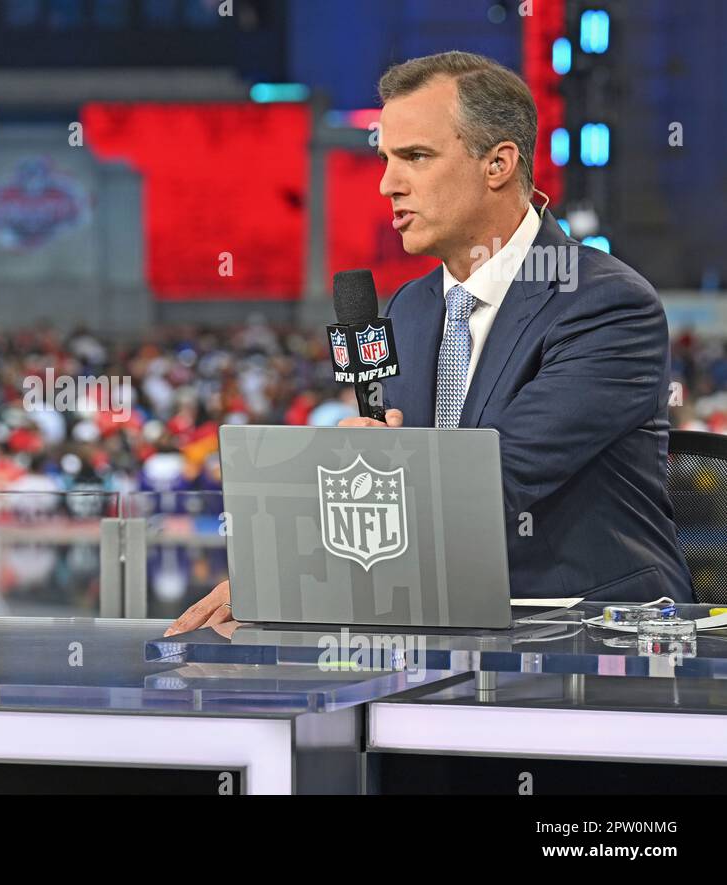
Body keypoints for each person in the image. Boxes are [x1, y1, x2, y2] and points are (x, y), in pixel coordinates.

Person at [167, 51, 691, 635]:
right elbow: (408, 494)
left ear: (497, 164)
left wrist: (288, 567)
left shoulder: (604, 304)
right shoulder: (410, 309)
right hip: (438, 631)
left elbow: (492, 481)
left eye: (416, 156)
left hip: (593, 644)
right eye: (386, 158)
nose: (389, 184)